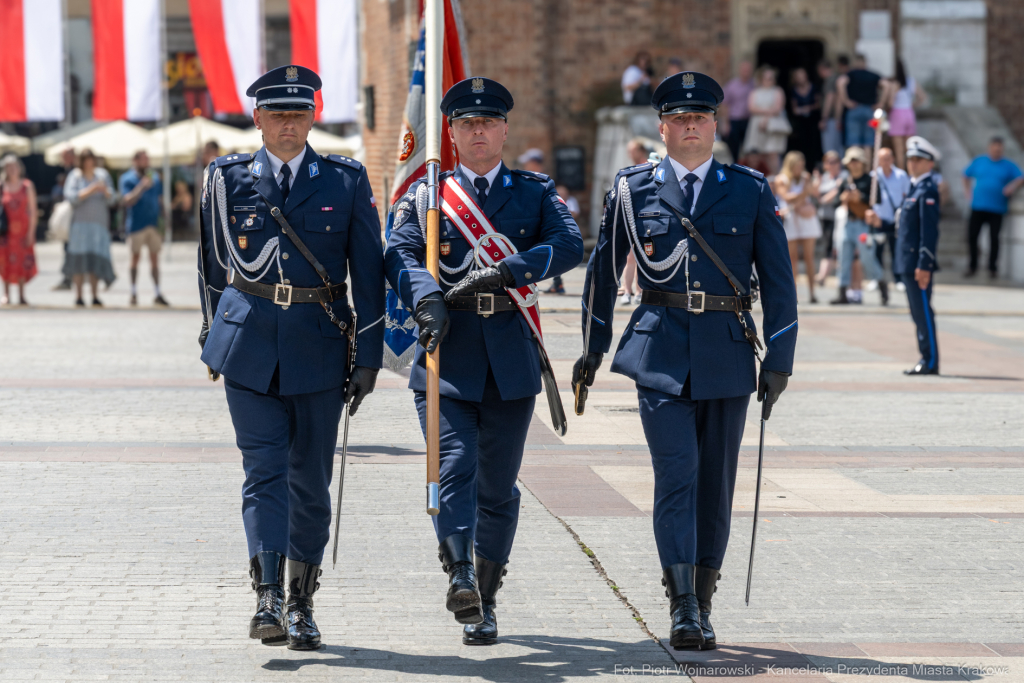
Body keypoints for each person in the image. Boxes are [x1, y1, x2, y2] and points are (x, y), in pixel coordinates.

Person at [574, 72, 797, 652]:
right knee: (678, 474)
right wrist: (594, 348)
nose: (691, 126)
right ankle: (681, 606)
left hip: (725, 352)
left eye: (701, 117)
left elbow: (779, 282)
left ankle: (704, 596)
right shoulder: (631, 188)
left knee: (715, 484)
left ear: (716, 125)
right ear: (663, 127)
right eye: (680, 118)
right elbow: (603, 271)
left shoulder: (748, 189)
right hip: (660, 350)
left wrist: (781, 358)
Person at [384, 77, 583, 646]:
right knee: (454, 464)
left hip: (511, 355)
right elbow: (395, 250)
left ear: (503, 129)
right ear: (449, 132)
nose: (477, 131)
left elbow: (569, 243)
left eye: (487, 123)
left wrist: (514, 268)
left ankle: (487, 597)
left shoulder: (534, 191)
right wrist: (423, 295)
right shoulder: (426, 195)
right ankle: (461, 574)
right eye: (466, 124)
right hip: (446, 350)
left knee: (497, 487)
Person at [197, 65, 385, 651]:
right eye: (276, 114)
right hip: (249, 347)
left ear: (313, 117)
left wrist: (370, 357)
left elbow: (370, 275)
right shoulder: (226, 178)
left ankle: (303, 601)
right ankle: (267, 597)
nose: (287, 124)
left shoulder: (345, 180)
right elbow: (209, 265)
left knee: (310, 480)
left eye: (298, 114)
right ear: (256, 118)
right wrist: (212, 336)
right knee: (263, 472)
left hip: (318, 347)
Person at [896, 136, 942, 375]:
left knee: (923, 313)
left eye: (918, 159)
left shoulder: (927, 190)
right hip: (907, 262)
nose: (912, 163)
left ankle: (930, 361)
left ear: (929, 163)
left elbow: (929, 232)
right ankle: (925, 357)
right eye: (910, 159)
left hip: (917, 265)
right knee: (917, 313)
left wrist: (925, 264)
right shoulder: (914, 189)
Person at [962, 136, 1024, 278]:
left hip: (997, 208)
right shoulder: (979, 161)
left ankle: (992, 268)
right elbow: (965, 175)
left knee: (994, 238)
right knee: (972, 236)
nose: (996, 152)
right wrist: (967, 191)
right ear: (989, 148)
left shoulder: (1008, 165)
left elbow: (1021, 177)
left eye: (999, 150)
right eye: (994, 149)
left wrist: (1011, 186)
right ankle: (972, 266)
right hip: (977, 206)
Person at [64, 148, 116, 307]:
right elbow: (71, 197)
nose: (88, 162)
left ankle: (95, 295)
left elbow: (113, 199)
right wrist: (91, 190)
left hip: (99, 226)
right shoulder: (75, 176)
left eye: (90, 159)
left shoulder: (102, 175)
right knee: (79, 261)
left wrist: (105, 191)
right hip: (80, 226)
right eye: (85, 159)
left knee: (95, 261)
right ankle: (79, 296)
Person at [832, 147, 882, 305]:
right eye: (851, 161)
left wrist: (860, 197)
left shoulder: (870, 180)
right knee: (843, 257)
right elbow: (836, 203)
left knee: (867, 258)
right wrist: (844, 197)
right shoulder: (845, 180)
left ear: (862, 163)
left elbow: (877, 200)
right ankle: (842, 292)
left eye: (856, 161)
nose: (853, 164)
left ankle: (882, 285)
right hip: (848, 222)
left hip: (863, 223)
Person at [119, 150, 168, 307]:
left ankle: (157, 292)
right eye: (144, 159)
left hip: (153, 224)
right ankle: (133, 292)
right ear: (135, 161)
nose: (147, 162)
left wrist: (165, 220)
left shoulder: (154, 177)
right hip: (136, 225)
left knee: (155, 259)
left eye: (148, 159)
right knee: (135, 258)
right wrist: (141, 186)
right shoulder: (127, 178)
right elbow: (127, 200)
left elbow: (160, 200)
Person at [776, 151, 821, 303]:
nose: (800, 168)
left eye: (801, 165)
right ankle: (793, 294)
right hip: (790, 219)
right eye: (797, 165)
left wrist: (810, 188)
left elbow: (814, 193)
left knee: (809, 257)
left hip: (805, 218)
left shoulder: (805, 177)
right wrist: (804, 194)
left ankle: (813, 293)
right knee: (792, 259)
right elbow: (787, 197)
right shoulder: (781, 179)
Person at [866, 147, 911, 300]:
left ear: (892, 159)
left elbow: (907, 195)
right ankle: (876, 279)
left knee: (896, 250)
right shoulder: (873, 176)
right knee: (876, 251)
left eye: (887, 158)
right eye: (881, 158)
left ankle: (898, 279)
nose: (884, 161)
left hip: (895, 219)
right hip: (878, 219)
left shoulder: (901, 175)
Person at [0, 155, 38, 306]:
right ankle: (6, 294)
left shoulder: (27, 186)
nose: (12, 170)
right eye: (9, 167)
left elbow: (33, 211)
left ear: (19, 168)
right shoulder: (2, 186)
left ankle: (22, 295)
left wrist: (31, 232)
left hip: (22, 231)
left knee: (22, 261)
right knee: (5, 262)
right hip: (5, 232)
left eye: (14, 166)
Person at [741, 66, 788, 175]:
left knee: (772, 153)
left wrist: (766, 119)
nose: (769, 80)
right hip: (757, 125)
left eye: (771, 78)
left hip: (773, 125)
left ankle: (775, 179)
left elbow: (778, 108)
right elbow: (751, 108)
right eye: (767, 78)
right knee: (758, 153)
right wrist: (767, 112)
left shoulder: (778, 91)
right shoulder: (755, 92)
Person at [884, 60, 926, 169]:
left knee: (899, 151)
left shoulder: (895, 84)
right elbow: (922, 97)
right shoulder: (911, 81)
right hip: (909, 113)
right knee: (909, 149)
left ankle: (902, 174)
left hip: (897, 114)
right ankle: (911, 173)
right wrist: (912, 105)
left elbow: (891, 103)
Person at [836, 55, 881, 157]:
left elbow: (840, 82)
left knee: (854, 143)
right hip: (870, 111)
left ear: (856, 62)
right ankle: (868, 171)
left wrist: (846, 101)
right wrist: (881, 103)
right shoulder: (873, 75)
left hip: (854, 110)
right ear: (865, 63)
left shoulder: (851, 74)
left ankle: (855, 171)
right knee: (868, 144)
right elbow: (886, 85)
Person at [814, 151, 846, 285]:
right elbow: (815, 193)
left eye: (835, 162)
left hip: (839, 217)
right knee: (828, 245)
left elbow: (836, 192)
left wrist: (823, 198)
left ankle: (823, 275)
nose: (832, 165)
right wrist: (817, 179)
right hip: (825, 217)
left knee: (835, 245)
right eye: (829, 162)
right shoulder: (824, 177)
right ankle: (823, 275)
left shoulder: (844, 176)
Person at [719, 60, 755, 164]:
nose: (746, 72)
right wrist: (726, 123)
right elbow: (725, 104)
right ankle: (733, 169)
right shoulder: (732, 85)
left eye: (748, 70)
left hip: (749, 121)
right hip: (734, 120)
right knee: (733, 148)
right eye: (744, 70)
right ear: (740, 70)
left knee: (749, 149)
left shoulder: (754, 84)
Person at [789, 67, 822, 169]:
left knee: (814, 145)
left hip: (813, 121)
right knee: (802, 145)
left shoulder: (814, 87)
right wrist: (801, 110)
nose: (801, 78)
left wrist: (807, 108)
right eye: (798, 76)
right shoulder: (794, 91)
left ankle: (813, 168)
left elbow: (819, 104)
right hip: (801, 123)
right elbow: (794, 108)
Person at [818, 58, 845, 156]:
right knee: (838, 147)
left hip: (831, 119)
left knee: (830, 149)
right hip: (837, 119)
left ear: (822, 69)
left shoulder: (830, 80)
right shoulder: (837, 78)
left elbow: (830, 98)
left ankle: (833, 170)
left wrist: (824, 118)